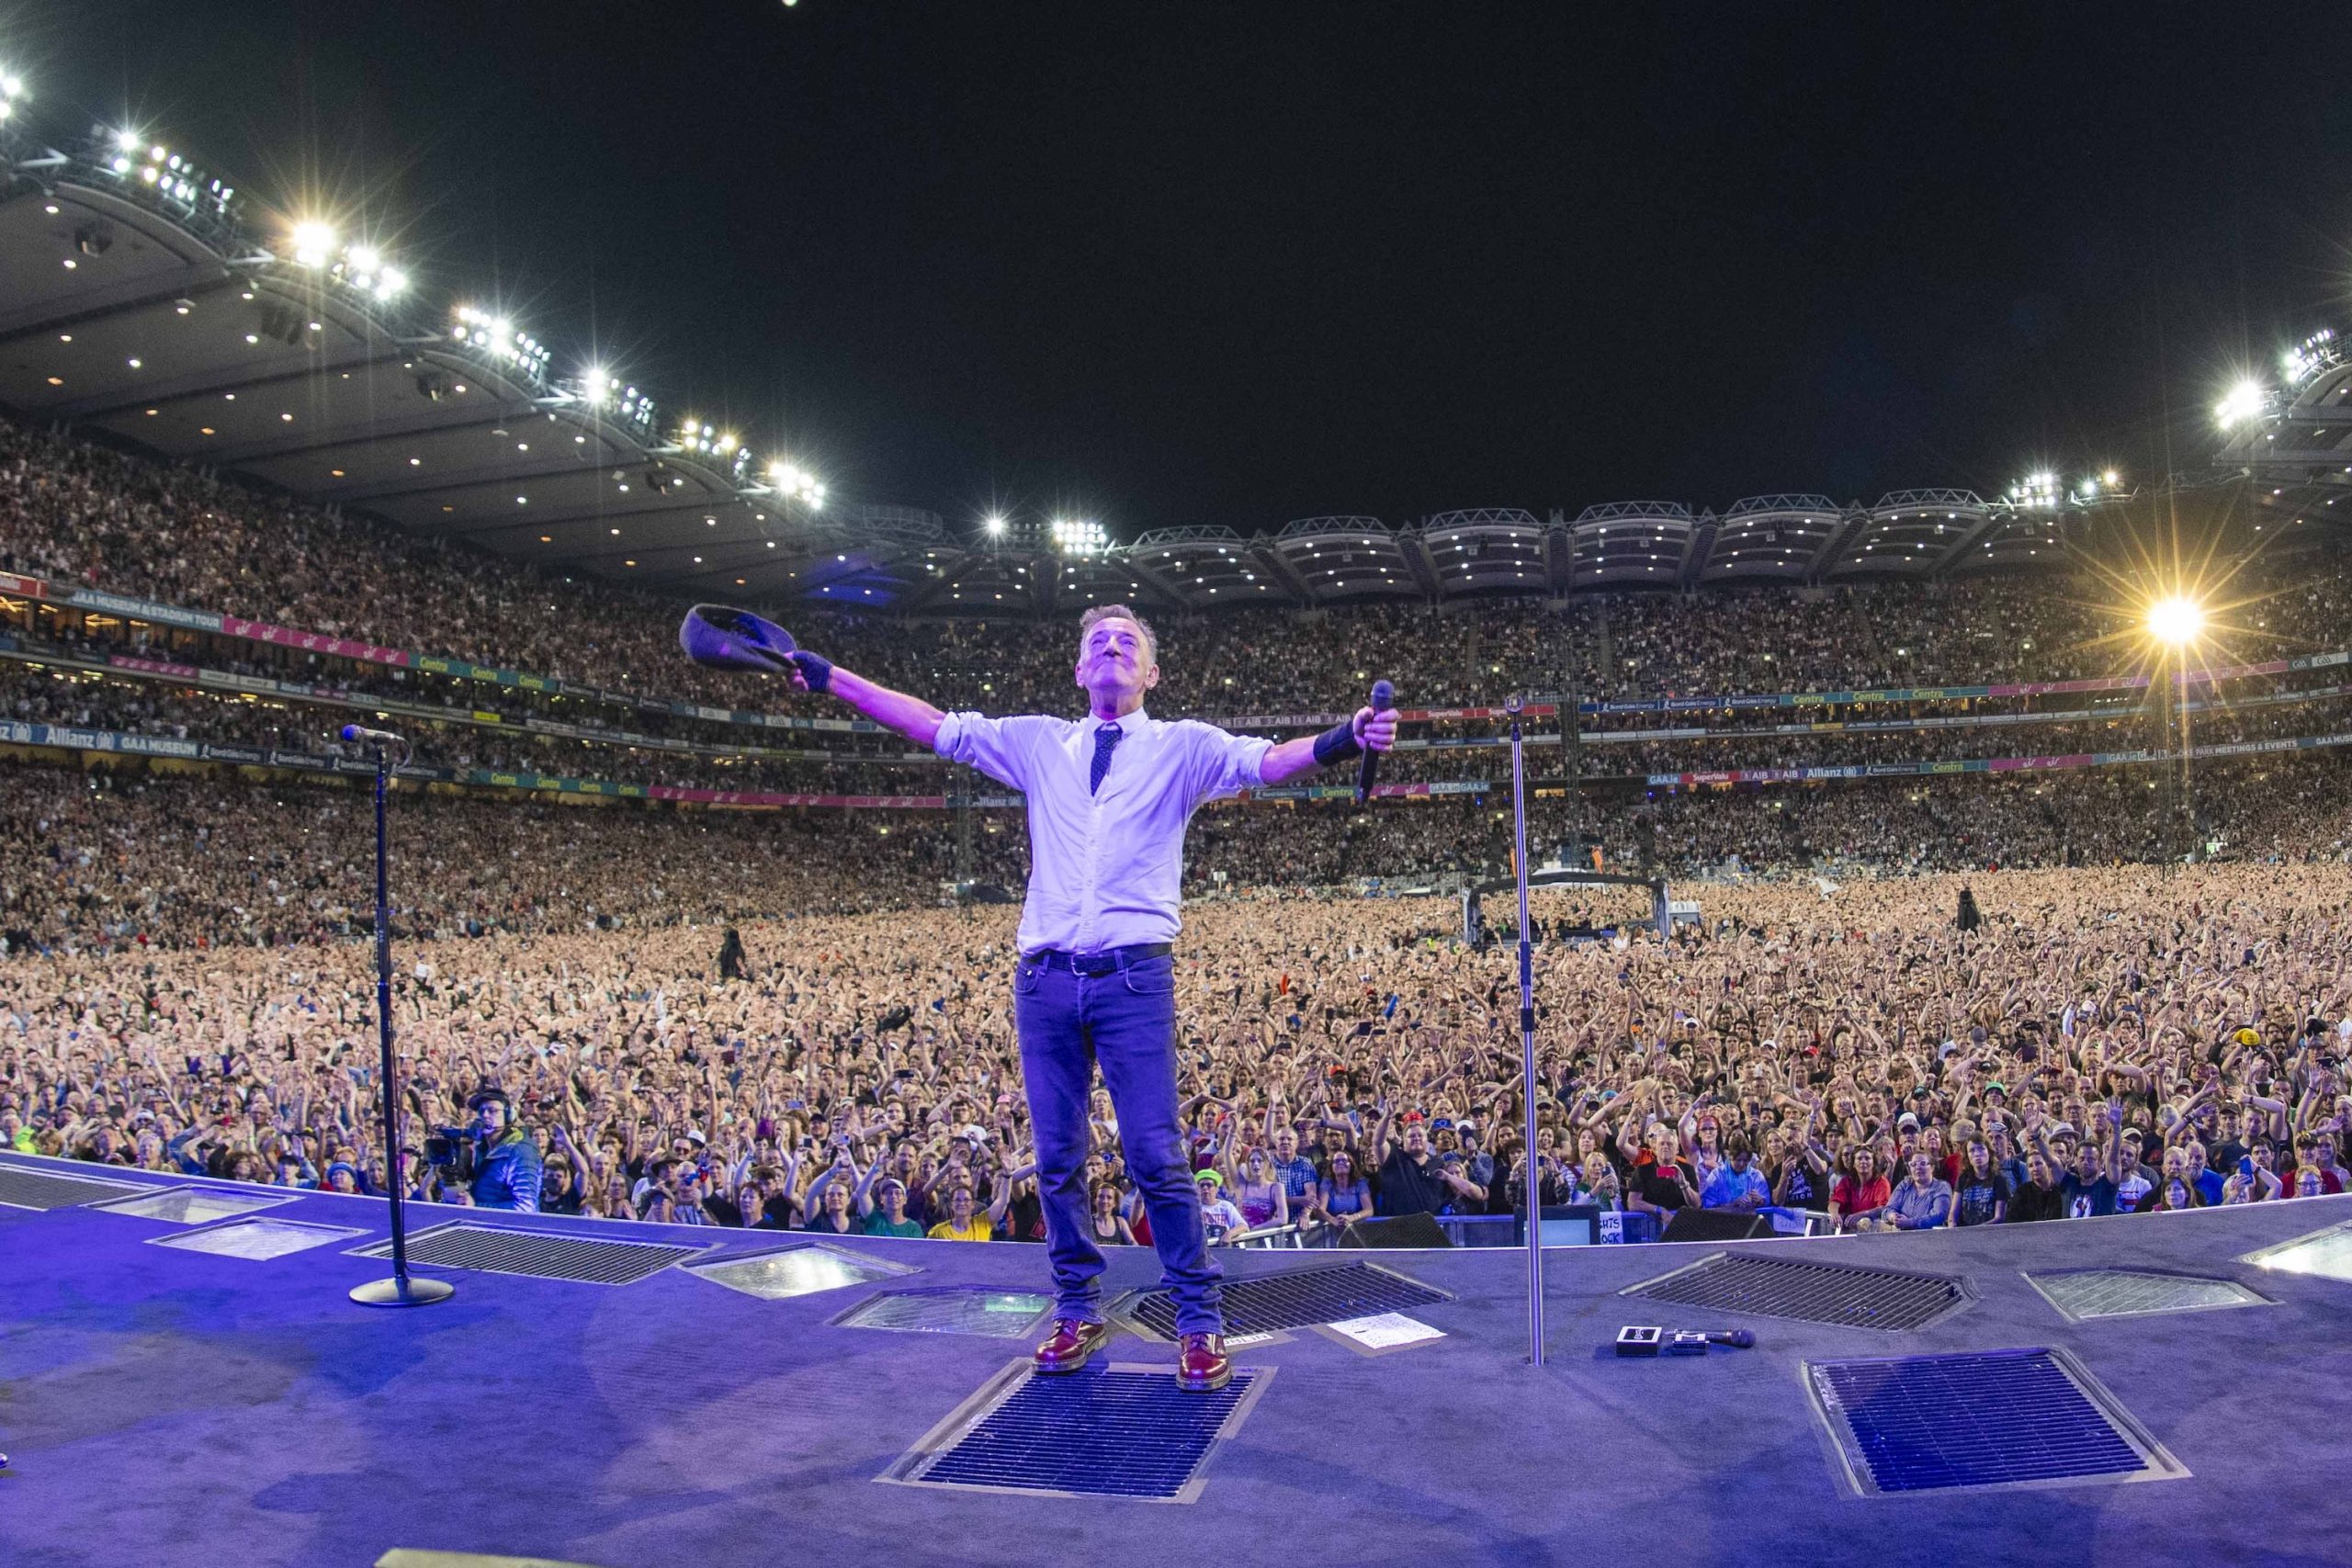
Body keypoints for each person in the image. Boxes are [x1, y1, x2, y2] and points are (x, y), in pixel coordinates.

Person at [779, 603, 1396, 1392]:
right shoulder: (1039, 742)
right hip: (1043, 978)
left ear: (1151, 673)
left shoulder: (1183, 747)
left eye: (1128, 640)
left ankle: (1197, 1320)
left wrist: (1347, 738)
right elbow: (934, 725)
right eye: (1097, 642)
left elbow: (1268, 762)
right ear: (1078, 670)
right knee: (1058, 1159)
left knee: (1157, 1157)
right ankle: (1077, 1305)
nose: (1111, 648)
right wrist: (832, 679)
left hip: (1134, 975)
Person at [464, 1089, 542, 1213]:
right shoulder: (481, 1148)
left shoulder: (521, 1150)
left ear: (508, 1115)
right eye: (481, 1111)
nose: (485, 1115)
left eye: (492, 1110)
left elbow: (526, 1207)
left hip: (510, 1229)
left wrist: (476, 1207)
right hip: (481, 1224)